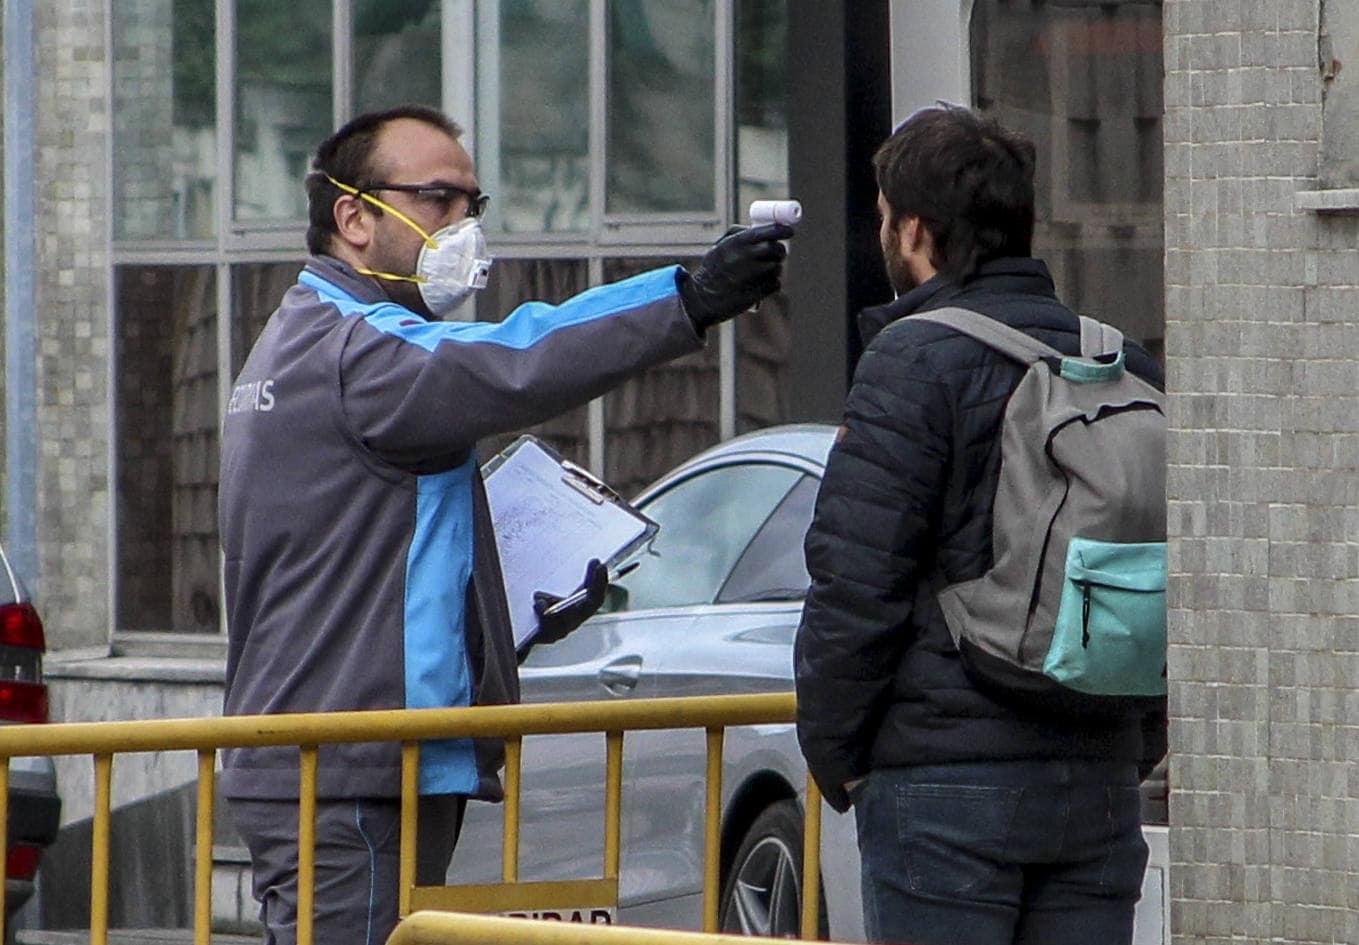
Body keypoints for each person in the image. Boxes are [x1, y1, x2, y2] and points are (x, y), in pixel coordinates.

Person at [218, 103, 792, 945]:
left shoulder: (303, 341)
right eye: (437, 200)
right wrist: (685, 298)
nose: (462, 227)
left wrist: (502, 621)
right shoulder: (358, 348)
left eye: (472, 205)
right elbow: (516, 356)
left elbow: (362, 566)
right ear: (352, 216)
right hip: (353, 767)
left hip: (344, 757)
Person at [793, 103, 1166, 945]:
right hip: (1095, 778)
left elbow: (856, 580)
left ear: (916, 231)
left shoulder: (911, 360)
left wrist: (839, 752)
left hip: (942, 784)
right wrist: (1129, 740)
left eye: (885, 219)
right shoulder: (1118, 362)